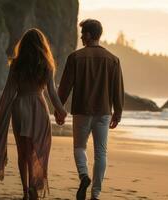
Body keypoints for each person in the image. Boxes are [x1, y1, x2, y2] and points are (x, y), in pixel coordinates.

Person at [0, 28, 67, 200]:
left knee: (23, 152)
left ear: (23, 45)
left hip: (20, 107)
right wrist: (61, 110)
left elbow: (9, 91)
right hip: (39, 107)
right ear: (42, 45)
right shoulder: (46, 64)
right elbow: (52, 92)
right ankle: (33, 188)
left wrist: (1, 113)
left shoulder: (16, 64)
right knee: (37, 148)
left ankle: (25, 190)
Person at [55, 19, 125, 200]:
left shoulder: (75, 58)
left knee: (79, 147)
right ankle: (96, 194)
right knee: (101, 152)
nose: (80, 37)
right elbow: (118, 89)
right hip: (103, 112)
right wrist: (118, 113)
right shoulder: (113, 60)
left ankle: (84, 176)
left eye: (82, 33)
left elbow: (64, 88)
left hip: (81, 110)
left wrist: (58, 108)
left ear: (88, 35)